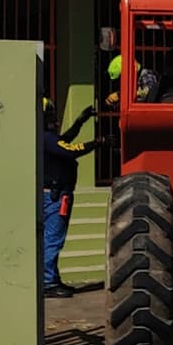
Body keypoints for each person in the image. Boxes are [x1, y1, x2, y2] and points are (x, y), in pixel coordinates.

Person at [42, 98, 105, 298]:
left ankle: (52, 278)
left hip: (55, 194)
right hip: (56, 197)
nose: (55, 119)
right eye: (51, 115)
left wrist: (80, 121)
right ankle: (48, 282)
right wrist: (97, 143)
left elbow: (65, 139)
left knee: (51, 239)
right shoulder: (46, 138)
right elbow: (69, 150)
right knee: (52, 239)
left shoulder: (46, 138)